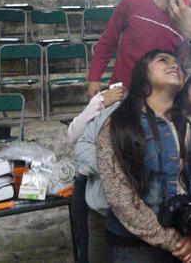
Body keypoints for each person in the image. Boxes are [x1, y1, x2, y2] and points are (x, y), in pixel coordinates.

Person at [90, 49, 191, 262]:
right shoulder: (120, 125)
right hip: (136, 249)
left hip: (190, 242)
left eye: (178, 65)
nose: (174, 65)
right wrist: (172, 241)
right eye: (163, 60)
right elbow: (119, 195)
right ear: (143, 74)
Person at [86, 0, 191, 98]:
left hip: (155, 98)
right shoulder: (131, 4)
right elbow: (107, 42)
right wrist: (94, 78)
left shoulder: (184, 27)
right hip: (120, 94)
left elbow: (178, 66)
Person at [70, 85, 124, 262]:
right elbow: (76, 138)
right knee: (89, 250)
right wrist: (99, 103)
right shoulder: (107, 103)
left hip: (129, 207)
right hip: (94, 193)